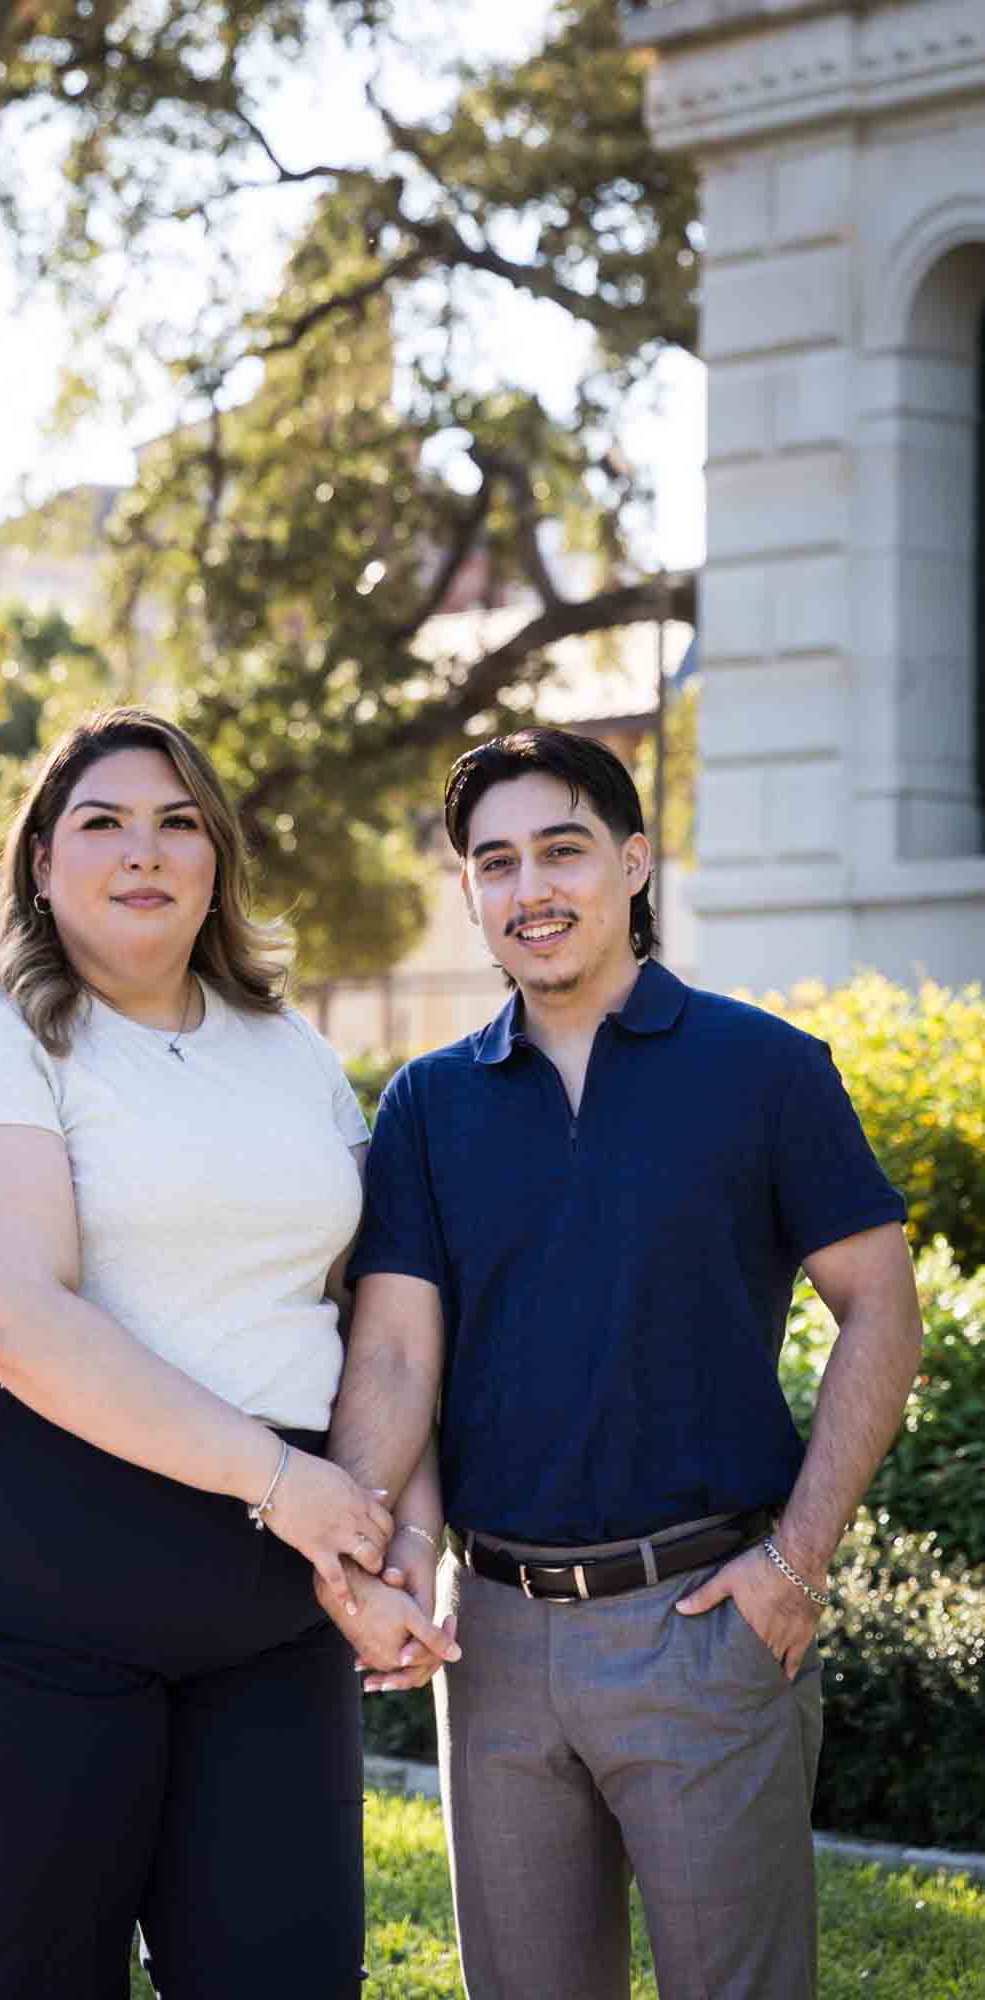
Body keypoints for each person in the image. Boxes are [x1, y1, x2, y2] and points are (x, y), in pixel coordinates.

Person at [0, 705, 453, 2000]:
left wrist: (389, 1533)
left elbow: (365, 1324)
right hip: (12, 1572)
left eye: (179, 823)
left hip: (263, 1592)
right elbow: (13, 1317)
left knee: (287, 1975)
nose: (144, 851)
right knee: (35, 1976)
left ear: (216, 860)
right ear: (42, 864)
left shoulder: (289, 1056)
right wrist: (291, 1494)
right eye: (102, 823)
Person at [315, 727, 923, 2000]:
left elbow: (880, 1306)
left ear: (633, 861)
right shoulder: (429, 1102)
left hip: (705, 1618)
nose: (529, 888)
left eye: (561, 849)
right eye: (494, 862)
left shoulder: (762, 1068)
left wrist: (796, 1560)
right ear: (469, 890)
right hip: (492, 1640)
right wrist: (375, 1551)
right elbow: (390, 1352)